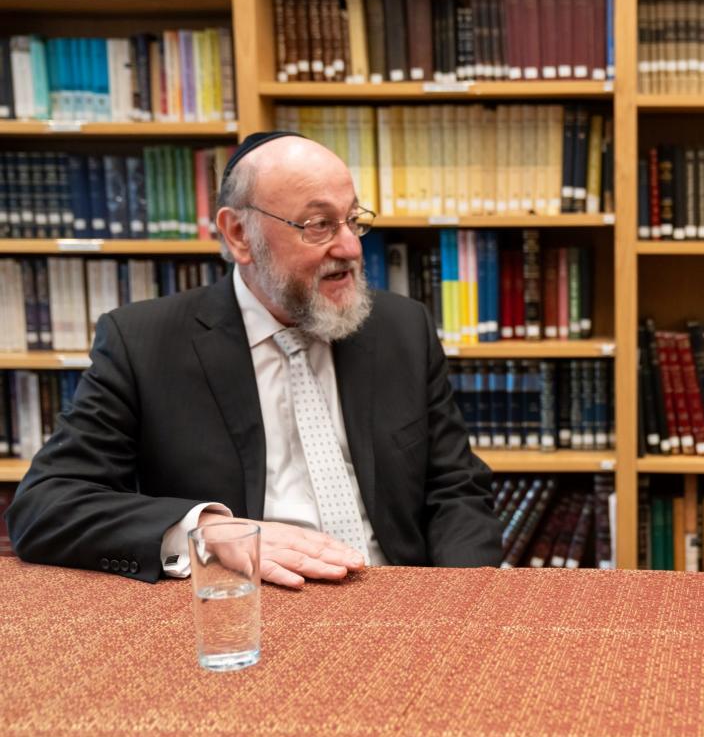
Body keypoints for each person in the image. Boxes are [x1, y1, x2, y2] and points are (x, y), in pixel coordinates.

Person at [6, 131, 501, 586]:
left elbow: (456, 488)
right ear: (239, 234)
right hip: (248, 608)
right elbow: (45, 506)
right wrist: (207, 531)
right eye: (318, 225)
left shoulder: (401, 328)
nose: (350, 247)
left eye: (353, 220)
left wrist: (460, 600)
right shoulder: (144, 342)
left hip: (402, 603)